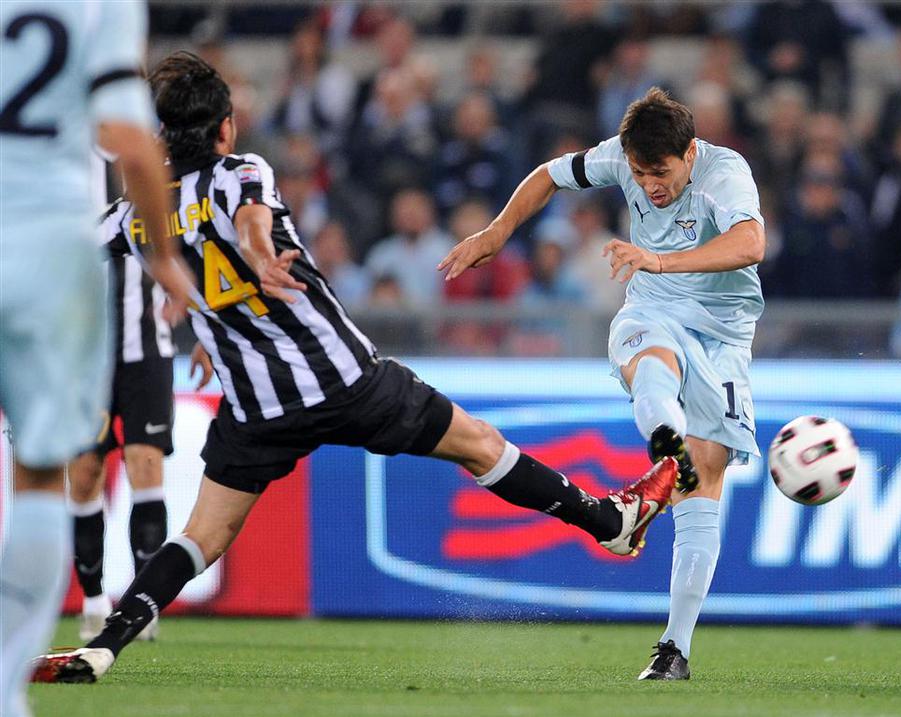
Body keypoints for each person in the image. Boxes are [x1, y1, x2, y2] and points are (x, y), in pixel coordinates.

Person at [31, 52, 678, 685]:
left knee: (202, 534)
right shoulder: (241, 171)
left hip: (258, 408)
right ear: (225, 127)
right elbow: (251, 222)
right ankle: (608, 523)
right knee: (479, 445)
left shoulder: (133, 216)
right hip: (340, 378)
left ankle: (103, 647)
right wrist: (258, 260)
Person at [439, 87, 766, 681]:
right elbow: (548, 174)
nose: (648, 186)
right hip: (653, 307)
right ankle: (665, 444)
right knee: (652, 359)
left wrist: (658, 259)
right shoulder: (618, 155)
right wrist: (498, 232)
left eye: (660, 173)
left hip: (723, 334)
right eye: (639, 174)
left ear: (690, 153)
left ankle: (674, 648)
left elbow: (751, 243)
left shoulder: (725, 173)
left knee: (706, 477)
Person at [0, 3, 192, 716]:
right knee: (43, 473)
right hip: (52, 251)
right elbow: (130, 141)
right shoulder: (99, 9)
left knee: (116, 464)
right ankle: (6, 686)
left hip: (116, 324)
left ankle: (125, 604)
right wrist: (166, 258)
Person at [68, 217, 214, 641]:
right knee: (84, 472)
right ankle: (93, 598)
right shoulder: (78, 199)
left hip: (149, 351)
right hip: (85, 357)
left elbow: (197, 255)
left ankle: (139, 603)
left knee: (145, 464)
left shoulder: (163, 203)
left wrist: (208, 334)